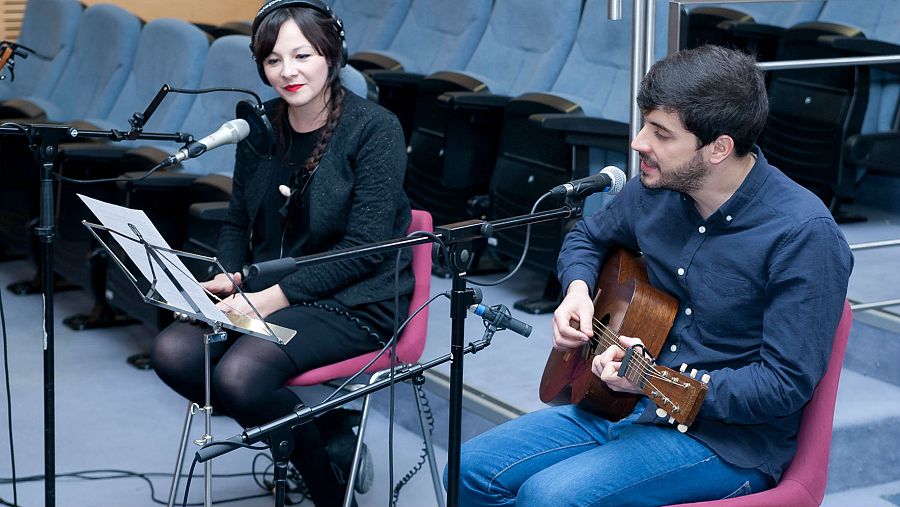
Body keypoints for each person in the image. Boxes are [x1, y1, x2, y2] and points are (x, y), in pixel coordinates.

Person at [453, 45, 853, 506]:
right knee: (468, 472)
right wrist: (578, 290)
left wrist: (652, 380)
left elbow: (783, 385)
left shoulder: (802, 235)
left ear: (719, 148)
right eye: (645, 124)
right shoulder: (657, 189)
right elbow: (586, 236)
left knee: (549, 498)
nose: (639, 142)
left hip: (721, 441)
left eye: (661, 133)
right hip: (620, 403)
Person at [149, 1, 412, 506]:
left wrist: (267, 299)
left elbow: (365, 250)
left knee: (240, 376)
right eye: (273, 60)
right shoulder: (257, 126)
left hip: (354, 298)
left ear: (332, 55)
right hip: (267, 289)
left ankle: (329, 490)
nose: (287, 72)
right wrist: (229, 276)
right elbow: (237, 221)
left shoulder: (375, 129)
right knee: (174, 352)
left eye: (303, 55)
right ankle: (320, 425)